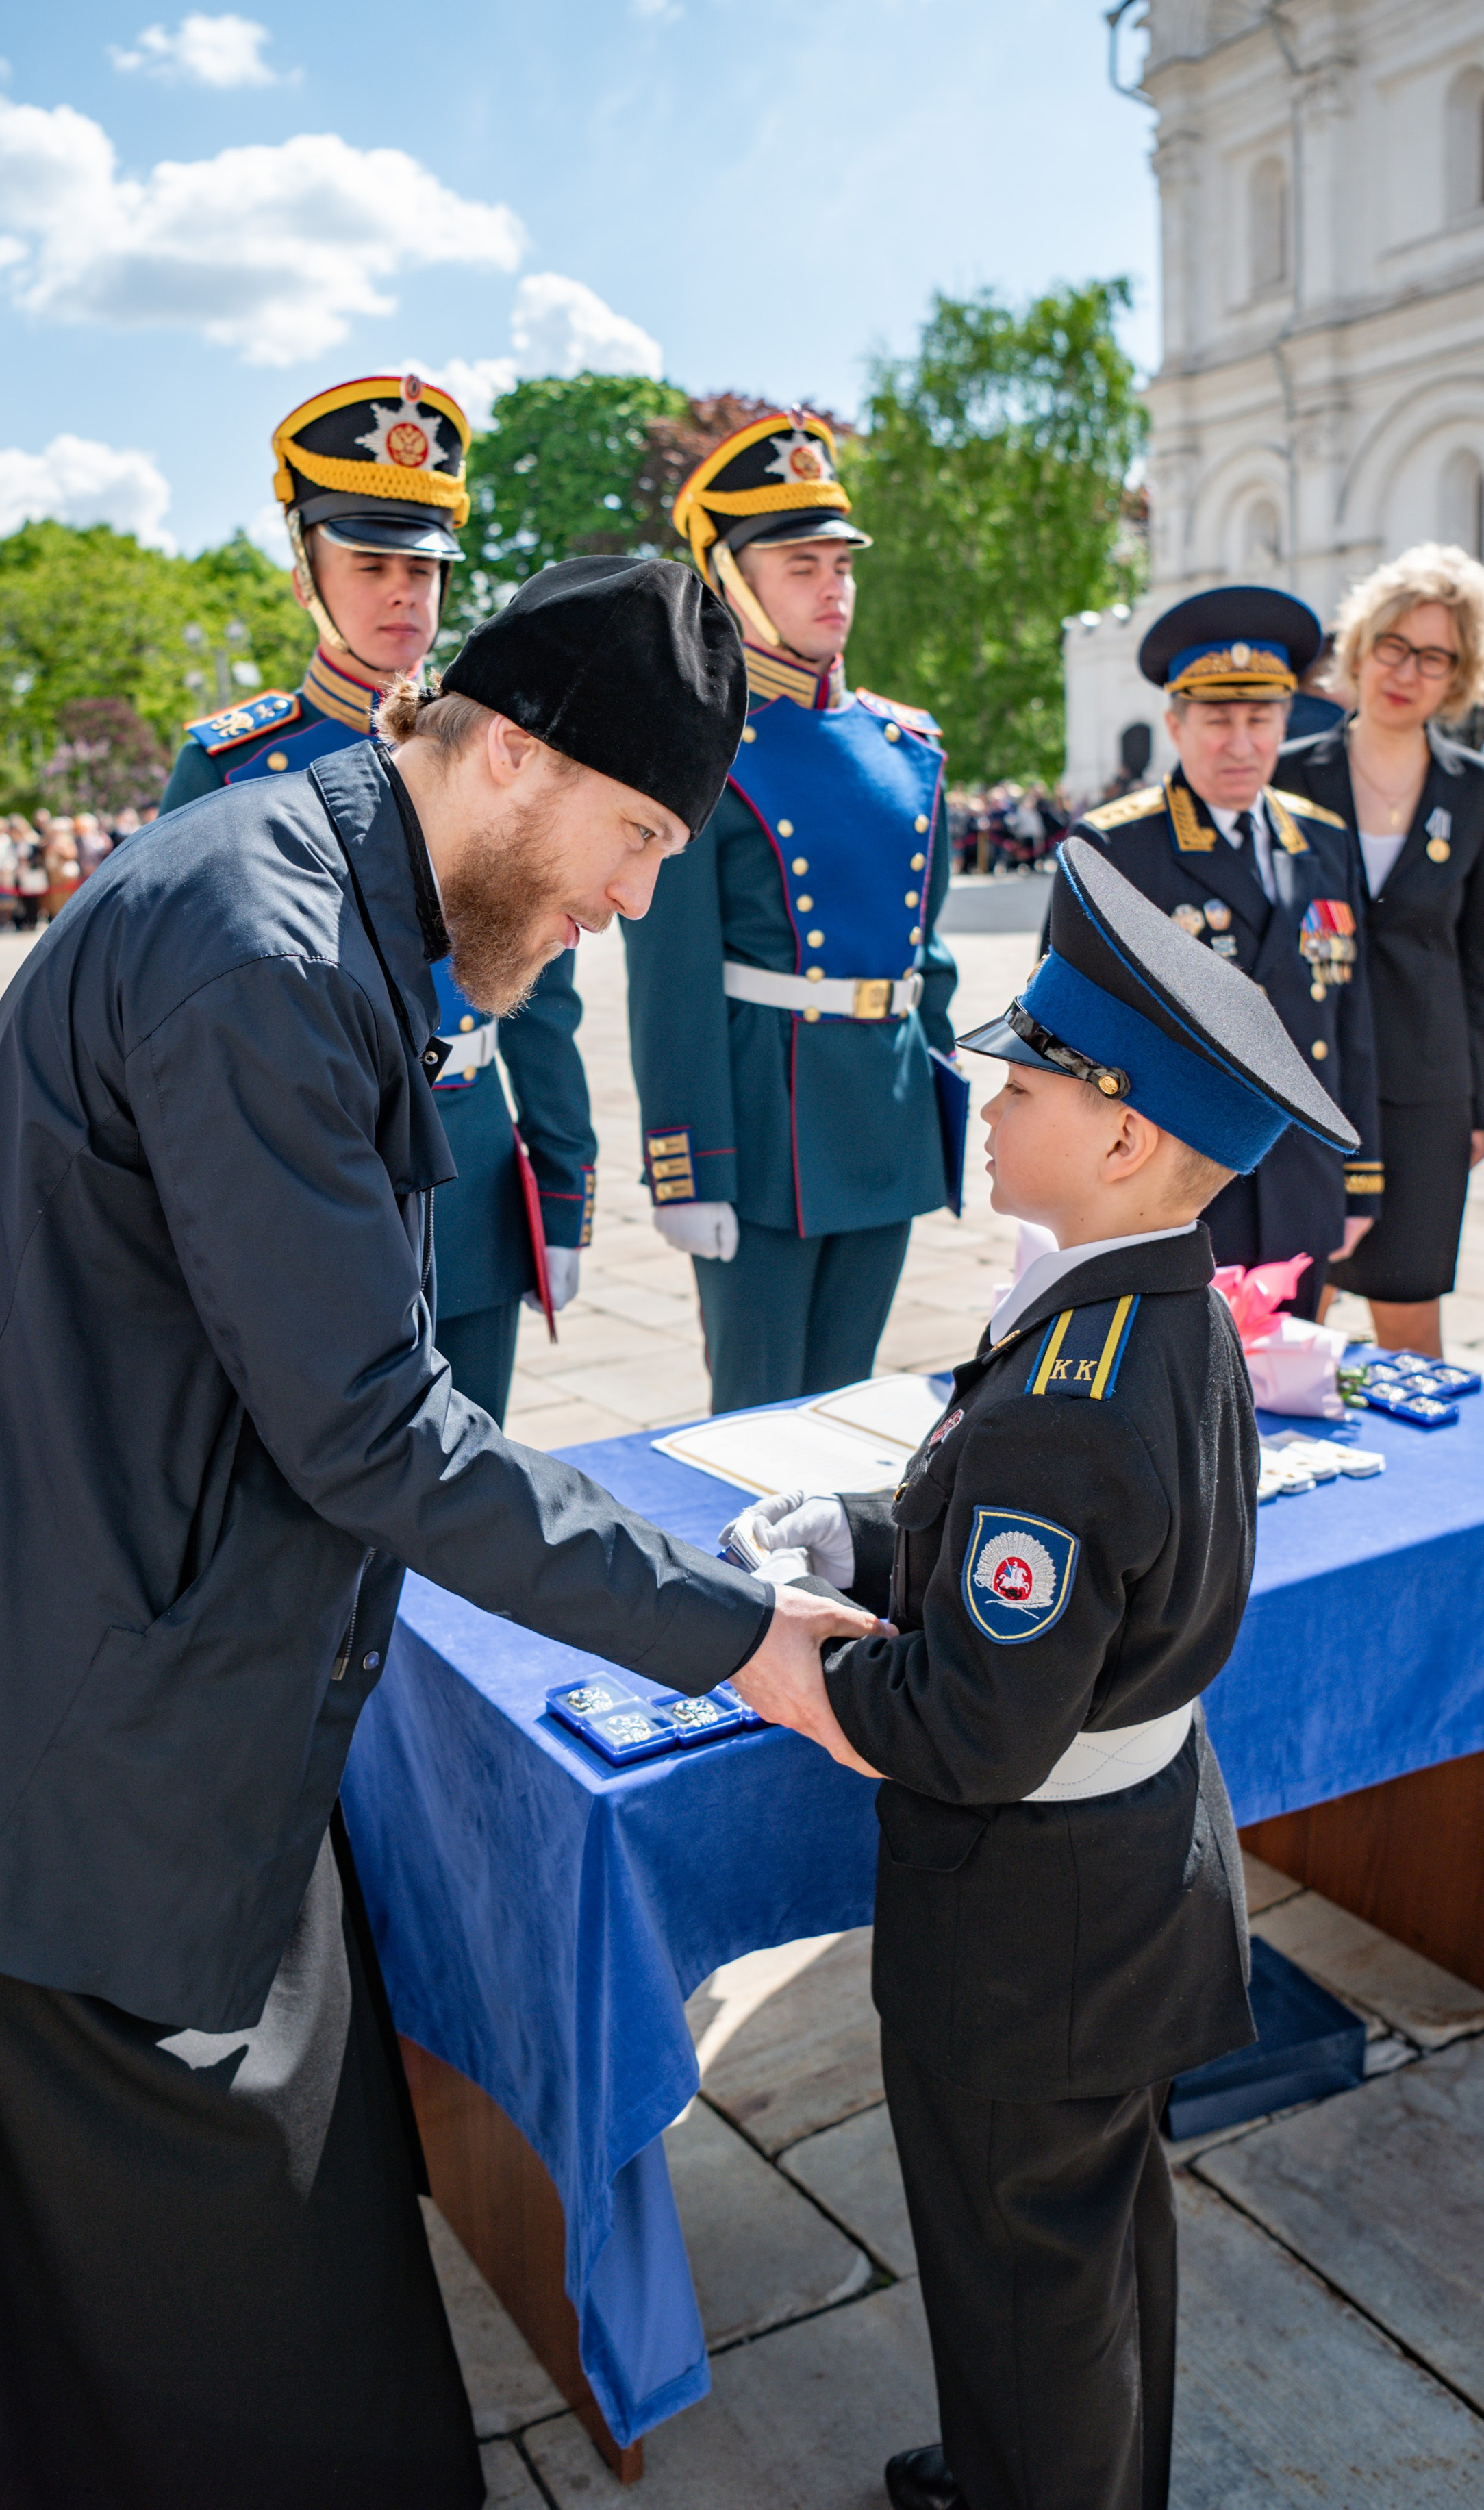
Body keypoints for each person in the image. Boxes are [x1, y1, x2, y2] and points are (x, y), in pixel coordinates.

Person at [0, 556, 872, 2510]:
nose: (635, 900)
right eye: (634, 840)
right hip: (43, 1725)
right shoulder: (260, 946)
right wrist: (741, 1631)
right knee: (185, 2307)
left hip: (35, 1658)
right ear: (510, 756)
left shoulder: (315, 879)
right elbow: (369, 1428)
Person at [727, 837, 1361, 2510]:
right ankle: (1051, 2464)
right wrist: (865, 1538)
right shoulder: (1137, 1312)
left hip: (1030, 1927)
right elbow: (1048, 1547)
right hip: (1119, 1883)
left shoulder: (1069, 1387)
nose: (989, 1104)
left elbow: (966, 1722)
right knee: (1081, 2242)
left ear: (1122, 1133)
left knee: (1025, 2254)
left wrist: (782, 1668)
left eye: (1021, 1080)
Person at [160, 372, 596, 1422]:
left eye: (424, 566)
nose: (404, 592)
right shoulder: (230, 767)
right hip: (308, 1182)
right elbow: (171, 1022)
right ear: (307, 571)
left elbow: (546, 996)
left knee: (472, 1504)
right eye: (371, 564)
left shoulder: (513, 759)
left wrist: (566, 1185)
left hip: (474, 1166)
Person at [622, 408, 957, 1411]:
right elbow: (670, 983)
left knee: (849, 1405)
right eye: (801, 565)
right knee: (757, 1417)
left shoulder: (912, 746)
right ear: (735, 580)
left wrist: (942, 1121)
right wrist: (687, 1169)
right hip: (767, 1128)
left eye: (841, 565)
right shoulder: (702, 749)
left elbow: (926, 960)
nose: (832, 588)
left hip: (883, 1121)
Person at [1069, 585, 1381, 1318]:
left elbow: (1351, 1019)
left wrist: (1357, 1177)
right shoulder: (1115, 847)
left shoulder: (1323, 838)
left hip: (1301, 1177)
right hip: (1175, 1191)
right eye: (1217, 718)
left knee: (1288, 1406)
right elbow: (1069, 1043)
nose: (1240, 743)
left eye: (1260, 717)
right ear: (1175, 724)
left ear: (1284, 721)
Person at [1274, 543, 1484, 1355]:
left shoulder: (1473, 790)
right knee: (1286, 1321)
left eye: (1435, 656)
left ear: (1456, 674)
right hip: (1304, 1083)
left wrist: (1477, 1104)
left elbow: (1478, 963)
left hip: (1425, 1091)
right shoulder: (1288, 775)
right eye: (1394, 645)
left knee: (1409, 1323)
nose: (1407, 670)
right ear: (1359, 648)